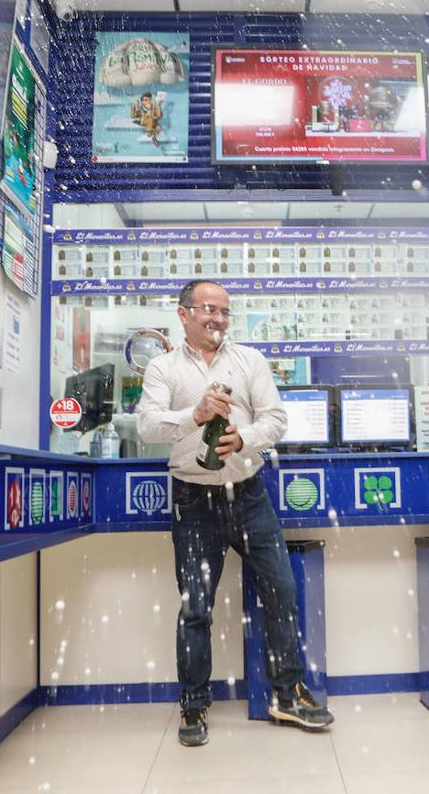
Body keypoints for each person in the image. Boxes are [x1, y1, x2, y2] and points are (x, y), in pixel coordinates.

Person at [137, 280, 334, 747]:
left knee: (282, 591)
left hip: (249, 495)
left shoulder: (250, 361)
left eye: (224, 312)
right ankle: (194, 705)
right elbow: (147, 426)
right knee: (196, 610)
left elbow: (277, 418)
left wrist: (244, 438)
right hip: (193, 501)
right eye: (208, 309)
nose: (218, 319)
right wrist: (196, 416)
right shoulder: (162, 368)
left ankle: (286, 695)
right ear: (183, 313)